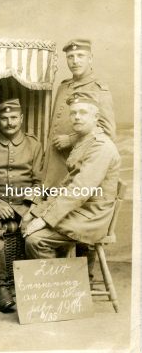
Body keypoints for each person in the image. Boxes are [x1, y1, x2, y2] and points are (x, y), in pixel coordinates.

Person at [22, 92, 120, 273]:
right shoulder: (85, 142)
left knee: (36, 240)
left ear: (96, 117)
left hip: (92, 215)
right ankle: (65, 285)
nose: (77, 117)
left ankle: (58, 293)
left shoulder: (100, 147)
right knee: (30, 225)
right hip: (79, 209)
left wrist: (44, 219)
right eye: (73, 113)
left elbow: (79, 190)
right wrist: (36, 212)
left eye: (83, 112)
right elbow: (65, 186)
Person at [0, 98, 43, 312]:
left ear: (22, 119)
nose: (9, 122)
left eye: (14, 117)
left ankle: (36, 288)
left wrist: (31, 208)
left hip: (24, 204)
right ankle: (2, 288)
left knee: (37, 231)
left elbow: (39, 181)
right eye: (4, 118)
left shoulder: (34, 144)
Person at [43, 39, 116, 189]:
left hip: (75, 168)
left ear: (90, 59)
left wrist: (71, 140)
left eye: (80, 55)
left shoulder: (99, 89)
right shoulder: (63, 87)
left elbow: (108, 132)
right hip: (52, 166)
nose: (75, 61)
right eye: (70, 57)